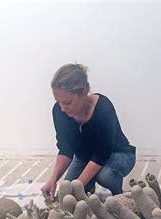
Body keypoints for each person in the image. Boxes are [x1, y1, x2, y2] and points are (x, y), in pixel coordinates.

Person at [41, 64, 136, 198]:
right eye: (58, 101)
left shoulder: (103, 109)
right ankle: (88, 186)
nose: (62, 108)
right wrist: (53, 180)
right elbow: (65, 149)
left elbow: (101, 155)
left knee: (105, 175)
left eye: (67, 103)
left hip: (118, 154)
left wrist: (78, 185)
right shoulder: (59, 110)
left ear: (84, 92)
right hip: (83, 158)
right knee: (67, 191)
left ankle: (118, 197)